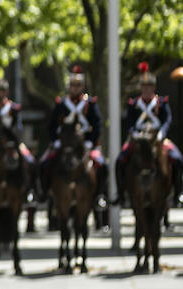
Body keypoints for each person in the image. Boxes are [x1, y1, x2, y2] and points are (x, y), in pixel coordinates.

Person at [41, 65, 107, 213]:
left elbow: (97, 125)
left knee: (103, 165)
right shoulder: (61, 104)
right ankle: (46, 194)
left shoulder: (90, 104)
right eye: (72, 85)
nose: (75, 88)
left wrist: (91, 141)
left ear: (82, 86)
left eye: (78, 85)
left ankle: (100, 196)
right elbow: (51, 125)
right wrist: (56, 140)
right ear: (69, 87)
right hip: (64, 144)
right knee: (44, 163)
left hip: (86, 145)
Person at [117, 62, 181, 204]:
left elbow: (167, 120)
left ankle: (178, 193)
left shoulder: (162, 103)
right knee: (119, 161)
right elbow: (129, 122)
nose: (146, 90)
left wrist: (161, 133)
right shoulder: (133, 104)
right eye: (144, 87)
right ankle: (121, 194)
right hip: (138, 139)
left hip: (158, 139)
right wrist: (133, 133)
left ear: (153, 87)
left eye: (149, 86)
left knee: (178, 159)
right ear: (141, 88)